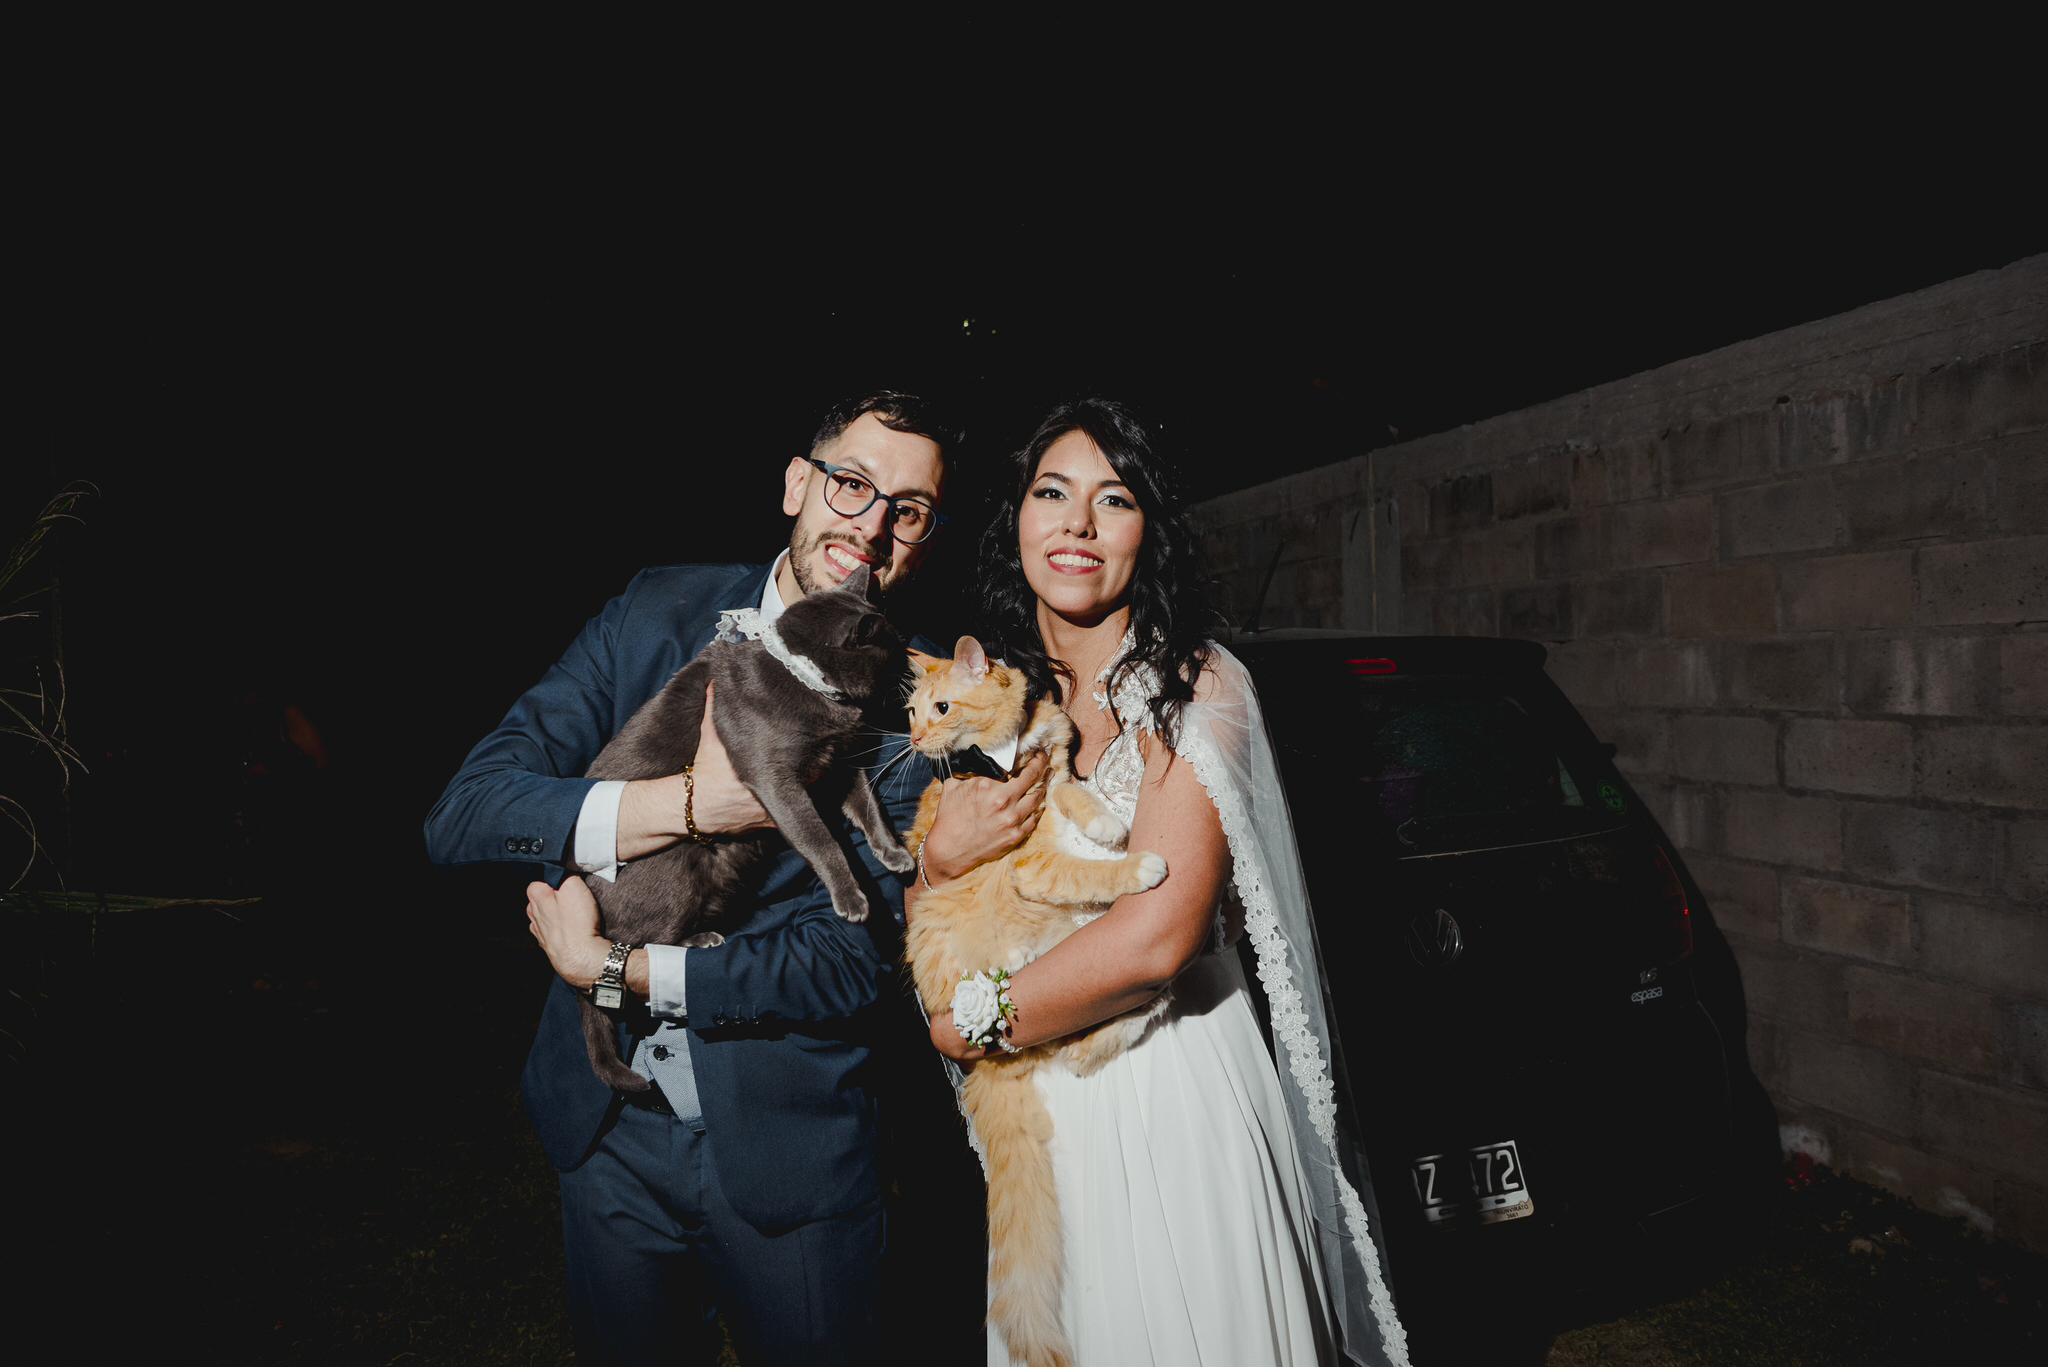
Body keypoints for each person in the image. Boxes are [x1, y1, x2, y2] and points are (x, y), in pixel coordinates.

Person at [423, 392, 1026, 1365]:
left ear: (924, 538)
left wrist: (615, 968)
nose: (870, 526)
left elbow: (847, 961)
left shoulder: (918, 709)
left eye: (907, 509)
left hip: (793, 1159)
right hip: (606, 1139)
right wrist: (688, 804)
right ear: (796, 483)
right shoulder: (652, 612)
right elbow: (466, 810)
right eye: (851, 483)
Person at [912, 399, 1411, 1366]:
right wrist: (938, 859)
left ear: (1149, 531)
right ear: (1016, 518)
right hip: (1042, 1115)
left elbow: (1157, 938)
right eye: (1052, 493)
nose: (1078, 524)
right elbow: (936, 917)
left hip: (1169, 1081)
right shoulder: (994, 698)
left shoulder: (1195, 683)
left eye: (1115, 499)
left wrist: (971, 1020)